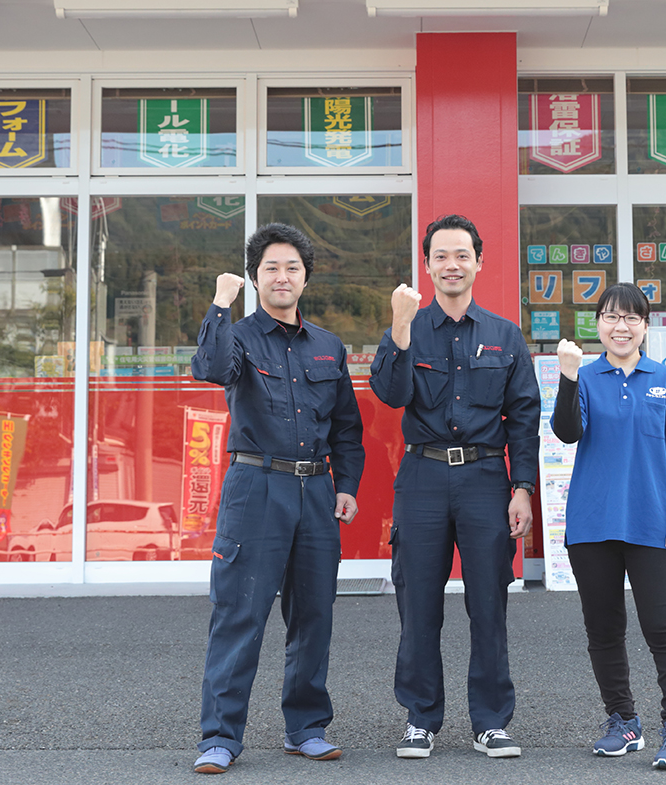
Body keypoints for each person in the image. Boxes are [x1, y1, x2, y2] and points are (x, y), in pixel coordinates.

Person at [190, 223, 365, 775]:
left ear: (305, 277)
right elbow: (211, 369)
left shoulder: (328, 346)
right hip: (256, 487)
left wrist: (346, 485)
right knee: (239, 613)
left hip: (316, 491)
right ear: (255, 277)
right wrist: (220, 305)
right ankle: (220, 737)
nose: (282, 276)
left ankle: (306, 728)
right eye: (271, 267)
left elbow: (347, 427)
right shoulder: (238, 336)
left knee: (313, 616)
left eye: (292, 267)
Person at [370, 214, 541, 759]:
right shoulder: (409, 327)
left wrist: (522, 487)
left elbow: (524, 417)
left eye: (462, 255)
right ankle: (420, 718)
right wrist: (399, 327)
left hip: (486, 479)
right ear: (427, 265)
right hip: (422, 476)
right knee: (418, 602)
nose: (452, 265)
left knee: (488, 602)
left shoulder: (504, 335)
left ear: (479, 262)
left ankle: (490, 721)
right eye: (440, 256)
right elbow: (389, 394)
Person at [549, 282, 666, 770]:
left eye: (632, 318)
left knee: (664, 628)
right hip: (592, 522)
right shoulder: (584, 377)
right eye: (612, 317)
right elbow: (567, 432)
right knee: (603, 628)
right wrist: (568, 377)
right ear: (598, 324)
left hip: (653, 523)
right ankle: (623, 720)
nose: (621, 326)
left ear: (645, 326)